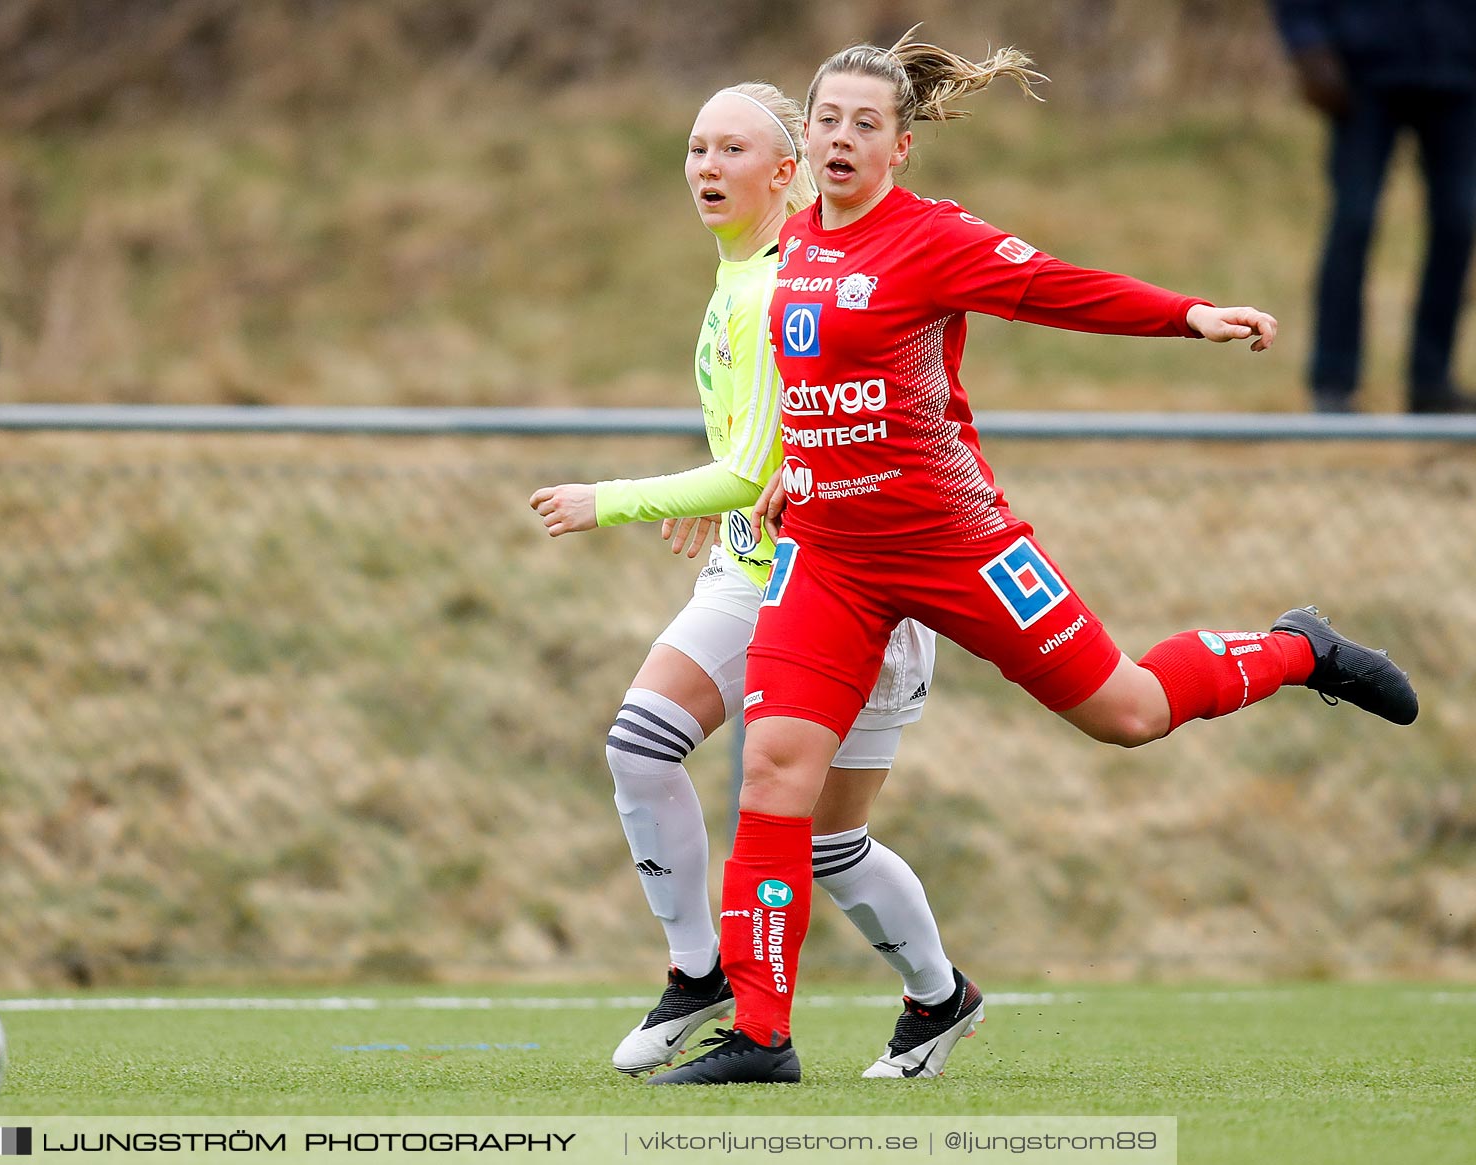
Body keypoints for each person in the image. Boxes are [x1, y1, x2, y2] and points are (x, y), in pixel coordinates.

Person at [650, 33, 1419, 1085]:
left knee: (1130, 712)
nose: (841, 138)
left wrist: (1187, 317)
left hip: (955, 544)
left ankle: (1298, 648)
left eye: (864, 125)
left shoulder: (930, 240)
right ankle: (762, 1036)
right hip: (827, 556)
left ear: (899, 149)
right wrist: (792, 469)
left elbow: (1060, 286)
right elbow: (811, 393)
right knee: (775, 776)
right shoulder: (792, 251)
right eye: (827, 119)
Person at [530, 82, 972, 1082]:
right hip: (754, 569)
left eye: (732, 149)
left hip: (846, 582)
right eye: (695, 147)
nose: (706, 167)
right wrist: (718, 479)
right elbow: (752, 453)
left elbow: (753, 465)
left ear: (786, 174)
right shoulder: (739, 274)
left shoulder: (787, 282)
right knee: (640, 746)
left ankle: (940, 997)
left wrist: (616, 498)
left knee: (828, 846)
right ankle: (702, 971)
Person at [1271, 0, 1476, 413]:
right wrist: (1308, 44)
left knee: (1459, 219)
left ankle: (1432, 382)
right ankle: (1333, 381)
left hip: (1459, 72)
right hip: (1360, 73)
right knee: (1354, 219)